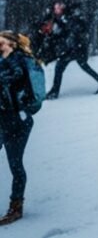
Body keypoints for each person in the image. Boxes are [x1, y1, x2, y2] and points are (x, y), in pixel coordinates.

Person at [0, 32, 36, 226]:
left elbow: (16, 76)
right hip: (4, 117)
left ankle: (16, 207)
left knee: (15, 164)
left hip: (18, 120)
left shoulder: (20, 61)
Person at [45, 2, 98, 99]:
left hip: (76, 49)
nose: (57, 11)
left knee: (60, 67)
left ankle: (55, 91)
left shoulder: (72, 19)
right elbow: (65, 33)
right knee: (81, 67)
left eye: (58, 8)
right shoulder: (66, 18)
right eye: (56, 8)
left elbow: (72, 33)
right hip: (74, 48)